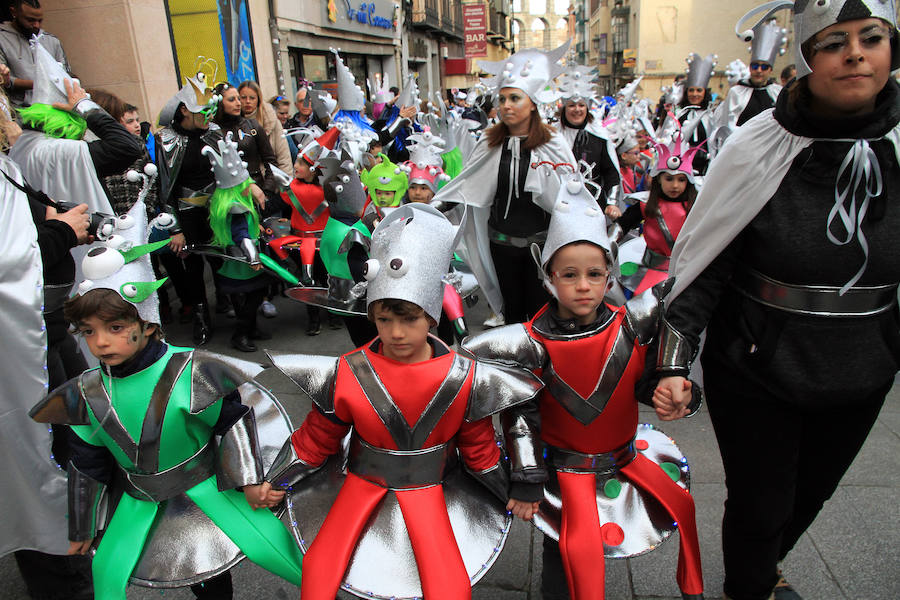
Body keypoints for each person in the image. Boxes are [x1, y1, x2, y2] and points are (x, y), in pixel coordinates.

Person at [654, 3, 900, 600]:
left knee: (813, 491)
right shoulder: (758, 145)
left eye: (872, 38)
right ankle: (751, 585)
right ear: (807, 57)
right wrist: (673, 363)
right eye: (834, 41)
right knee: (761, 501)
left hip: (864, 365)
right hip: (759, 363)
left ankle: (763, 567)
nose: (855, 54)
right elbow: (705, 263)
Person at [264, 203, 543, 600]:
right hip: (363, 479)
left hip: (431, 483)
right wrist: (277, 480)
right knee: (319, 572)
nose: (396, 333)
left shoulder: (464, 376)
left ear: (431, 317)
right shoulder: (345, 372)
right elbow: (317, 438)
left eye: (409, 318)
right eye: (383, 319)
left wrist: (515, 489)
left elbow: (479, 449)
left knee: (448, 585)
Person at [29, 201, 303, 599]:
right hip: (141, 501)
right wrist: (83, 526)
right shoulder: (88, 391)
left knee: (270, 558)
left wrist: (249, 482)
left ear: (148, 323)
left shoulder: (189, 372)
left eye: (116, 327)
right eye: (88, 331)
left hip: (206, 489)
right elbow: (86, 461)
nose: (101, 342)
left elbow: (232, 419)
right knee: (109, 578)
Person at [462, 175, 703, 600]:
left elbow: (646, 375)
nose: (583, 285)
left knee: (681, 507)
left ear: (609, 274)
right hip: (562, 469)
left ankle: (693, 588)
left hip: (624, 456)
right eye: (569, 275)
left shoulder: (628, 326)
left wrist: (673, 389)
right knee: (573, 549)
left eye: (594, 274)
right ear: (549, 276)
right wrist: (526, 477)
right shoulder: (531, 342)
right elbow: (519, 414)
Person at [0, 104, 94, 600]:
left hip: (46, 329)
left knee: (75, 434)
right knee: (43, 459)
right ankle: (62, 568)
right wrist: (61, 231)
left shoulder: (8, 163)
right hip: (22, 351)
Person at [433, 41, 577, 325]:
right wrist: (434, 207)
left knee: (540, 314)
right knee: (511, 313)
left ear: (533, 103)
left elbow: (571, 191)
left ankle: (539, 366)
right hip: (501, 245)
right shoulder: (490, 140)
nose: (506, 106)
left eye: (515, 98)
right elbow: (468, 183)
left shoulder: (552, 143)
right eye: (502, 99)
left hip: (541, 247)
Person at [155, 72, 224, 344]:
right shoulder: (167, 140)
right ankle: (201, 318)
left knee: (221, 260)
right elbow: (164, 186)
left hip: (217, 209)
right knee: (193, 269)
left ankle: (226, 303)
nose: (208, 116)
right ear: (184, 109)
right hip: (186, 214)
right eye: (202, 111)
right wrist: (174, 228)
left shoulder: (215, 132)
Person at [614, 132, 701, 295]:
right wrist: (607, 245)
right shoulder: (646, 204)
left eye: (681, 180)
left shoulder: (696, 207)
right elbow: (621, 226)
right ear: (659, 179)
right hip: (650, 270)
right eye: (669, 179)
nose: (675, 185)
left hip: (686, 272)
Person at [555, 63, 621, 215]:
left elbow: (611, 172)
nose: (577, 109)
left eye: (581, 105)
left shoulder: (599, 136)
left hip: (592, 205)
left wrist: (612, 202)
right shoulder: (553, 136)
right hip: (560, 204)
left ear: (587, 108)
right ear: (564, 108)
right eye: (571, 105)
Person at [716, 6, 791, 130]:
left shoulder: (777, 93)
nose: (759, 70)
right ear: (750, 67)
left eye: (764, 67)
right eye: (755, 65)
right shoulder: (736, 93)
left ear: (770, 70)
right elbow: (727, 125)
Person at [0, 0, 69, 109]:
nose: (36, 25)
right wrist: (40, 83)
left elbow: (65, 75)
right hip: (19, 110)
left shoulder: (52, 41)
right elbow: (4, 79)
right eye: (30, 20)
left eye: (40, 21)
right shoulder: (2, 39)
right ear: (14, 12)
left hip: (53, 109)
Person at [238, 80, 292, 174]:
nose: (248, 101)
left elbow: (283, 157)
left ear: (258, 99)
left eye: (252, 98)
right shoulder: (234, 122)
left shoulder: (271, 120)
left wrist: (285, 184)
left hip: (271, 178)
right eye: (243, 97)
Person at [677, 53, 716, 176]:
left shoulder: (710, 116)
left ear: (705, 92)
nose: (695, 94)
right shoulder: (679, 115)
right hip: (681, 167)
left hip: (705, 168)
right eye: (691, 90)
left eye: (699, 90)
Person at [270, 95, 298, 161]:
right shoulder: (267, 130)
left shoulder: (290, 127)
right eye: (282, 113)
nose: (285, 116)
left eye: (287, 113)